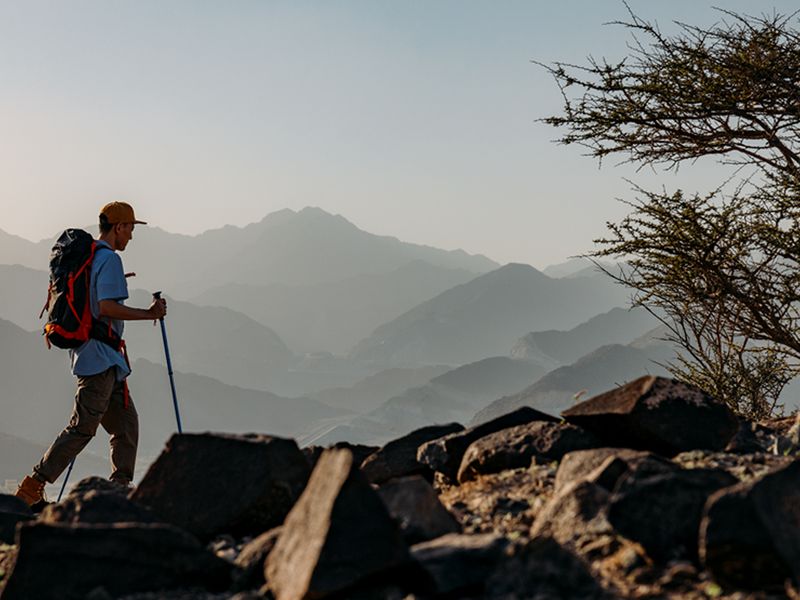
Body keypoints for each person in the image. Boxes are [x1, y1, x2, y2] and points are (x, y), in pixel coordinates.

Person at [14, 201, 167, 506]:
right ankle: (31, 487)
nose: (132, 237)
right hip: (99, 358)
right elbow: (106, 307)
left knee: (126, 425)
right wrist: (150, 313)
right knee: (83, 426)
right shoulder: (108, 259)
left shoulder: (93, 257)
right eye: (131, 229)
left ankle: (119, 489)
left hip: (104, 359)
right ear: (119, 227)